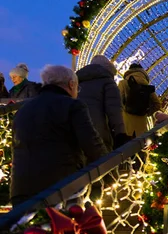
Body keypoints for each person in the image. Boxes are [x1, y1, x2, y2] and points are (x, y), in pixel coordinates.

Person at [10, 65, 108, 205]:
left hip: (22, 191)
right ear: (71, 84)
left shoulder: (23, 110)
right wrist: (108, 171)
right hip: (61, 188)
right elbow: (92, 144)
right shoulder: (72, 106)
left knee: (29, 227)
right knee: (64, 226)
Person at [76, 54, 128, 151]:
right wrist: (120, 134)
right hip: (98, 133)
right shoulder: (108, 82)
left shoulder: (77, 82)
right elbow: (114, 110)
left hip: (75, 131)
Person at [118, 63, 166, 137]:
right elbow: (157, 104)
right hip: (141, 126)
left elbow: (117, 102)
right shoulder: (147, 86)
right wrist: (147, 113)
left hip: (126, 124)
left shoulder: (123, 83)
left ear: (129, 71)